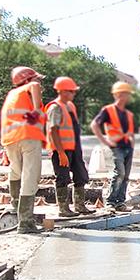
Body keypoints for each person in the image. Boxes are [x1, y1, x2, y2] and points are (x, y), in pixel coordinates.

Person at [0, 65, 46, 234]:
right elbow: (35, 87)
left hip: (10, 139)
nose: (38, 81)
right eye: (35, 78)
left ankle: (14, 205)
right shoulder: (30, 86)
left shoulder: (11, 95)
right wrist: (36, 109)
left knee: (16, 171)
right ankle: (25, 222)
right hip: (28, 136)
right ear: (27, 80)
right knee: (30, 176)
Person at [45, 76, 92, 218]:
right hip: (61, 149)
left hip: (74, 148)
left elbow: (73, 129)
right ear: (62, 91)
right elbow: (53, 130)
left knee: (81, 175)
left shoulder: (70, 106)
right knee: (63, 178)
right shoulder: (55, 107)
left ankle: (79, 205)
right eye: (71, 91)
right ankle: (63, 208)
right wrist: (60, 152)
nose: (73, 94)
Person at [91, 79, 136, 211]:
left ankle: (120, 202)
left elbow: (130, 132)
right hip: (117, 147)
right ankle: (111, 201)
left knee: (126, 175)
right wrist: (105, 141)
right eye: (124, 93)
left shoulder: (128, 114)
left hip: (128, 147)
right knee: (119, 173)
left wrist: (132, 143)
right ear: (117, 95)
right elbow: (95, 125)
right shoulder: (108, 110)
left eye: (128, 94)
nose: (127, 96)